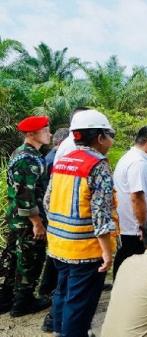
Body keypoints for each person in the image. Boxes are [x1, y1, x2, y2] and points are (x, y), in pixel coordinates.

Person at [45, 109, 118, 337]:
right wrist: (107, 253)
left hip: (58, 243)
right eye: (110, 134)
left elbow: (48, 201)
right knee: (79, 304)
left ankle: (59, 331)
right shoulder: (98, 166)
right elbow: (101, 216)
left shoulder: (63, 161)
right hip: (85, 249)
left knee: (62, 292)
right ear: (99, 137)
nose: (111, 140)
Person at [0, 116, 52, 316]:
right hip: (27, 219)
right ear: (31, 134)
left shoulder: (25, 154)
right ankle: (23, 302)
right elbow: (25, 195)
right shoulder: (28, 158)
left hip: (18, 217)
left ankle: (8, 298)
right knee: (29, 258)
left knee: (15, 256)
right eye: (45, 130)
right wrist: (37, 223)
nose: (49, 133)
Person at [113, 126, 147, 278]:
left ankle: (121, 287)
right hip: (134, 226)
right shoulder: (138, 163)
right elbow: (137, 197)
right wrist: (143, 226)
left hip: (130, 223)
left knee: (127, 257)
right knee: (132, 259)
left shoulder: (132, 157)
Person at [38, 126, 69, 333]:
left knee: (56, 263)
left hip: (53, 219)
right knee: (59, 268)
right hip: (55, 220)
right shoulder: (54, 160)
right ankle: (47, 296)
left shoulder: (53, 157)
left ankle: (46, 291)